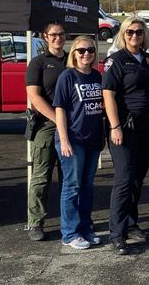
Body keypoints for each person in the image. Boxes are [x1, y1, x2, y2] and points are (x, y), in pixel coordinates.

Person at [102, 16, 149, 255]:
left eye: (138, 32)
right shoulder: (115, 60)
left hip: (147, 127)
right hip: (124, 128)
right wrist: (115, 126)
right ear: (123, 35)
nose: (134, 36)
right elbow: (108, 94)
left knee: (137, 178)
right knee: (124, 179)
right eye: (130, 32)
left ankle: (131, 222)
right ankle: (116, 233)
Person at [53, 36, 103, 249]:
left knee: (87, 187)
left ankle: (85, 228)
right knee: (72, 187)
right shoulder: (67, 76)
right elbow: (60, 109)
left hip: (93, 140)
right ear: (73, 53)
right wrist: (64, 139)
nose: (86, 54)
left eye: (90, 50)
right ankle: (70, 233)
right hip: (73, 140)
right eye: (81, 50)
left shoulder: (97, 76)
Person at [26, 21, 67, 241]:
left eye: (61, 34)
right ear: (45, 36)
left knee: (68, 177)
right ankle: (35, 223)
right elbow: (35, 97)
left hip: (71, 126)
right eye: (53, 35)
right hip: (47, 126)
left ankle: (69, 220)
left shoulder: (73, 59)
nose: (57, 38)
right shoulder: (38, 63)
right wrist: (57, 119)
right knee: (41, 177)